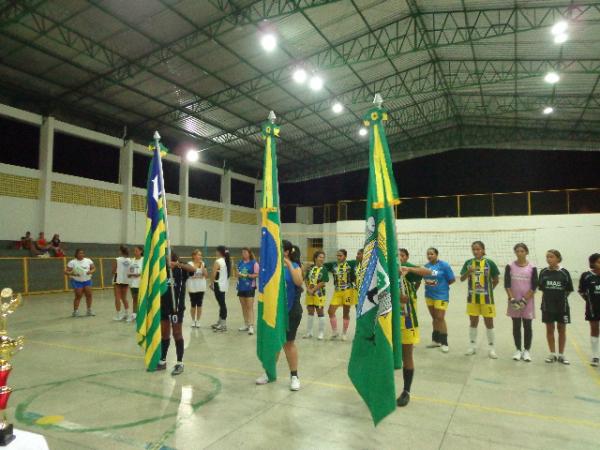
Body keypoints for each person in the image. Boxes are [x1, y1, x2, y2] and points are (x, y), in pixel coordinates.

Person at [256, 240, 304, 391]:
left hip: (291, 311)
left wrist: (288, 264)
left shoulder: (295, 266)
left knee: (288, 344)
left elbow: (298, 281)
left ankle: (294, 376)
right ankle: (269, 373)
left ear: (287, 252)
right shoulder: (271, 267)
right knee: (274, 341)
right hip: (274, 311)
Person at [157, 251, 196, 375]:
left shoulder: (181, 269)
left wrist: (177, 264)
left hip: (176, 308)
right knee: (164, 334)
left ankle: (179, 363)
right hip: (164, 307)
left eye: (167, 257)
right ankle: (162, 361)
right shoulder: (162, 270)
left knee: (177, 333)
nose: (166, 259)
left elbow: (192, 268)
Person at [460, 241, 500, 358]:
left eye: (478, 249)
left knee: (489, 323)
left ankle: (492, 348)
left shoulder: (490, 263)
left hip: (487, 300)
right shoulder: (468, 263)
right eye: (474, 249)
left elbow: (496, 279)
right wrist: (469, 271)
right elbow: (462, 279)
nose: (476, 251)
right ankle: (472, 346)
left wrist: (489, 291)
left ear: (483, 250)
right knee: (473, 322)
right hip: (472, 299)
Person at [538, 249, 573, 365]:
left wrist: (560, 299)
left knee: (561, 330)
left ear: (558, 258)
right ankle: (552, 353)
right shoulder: (543, 272)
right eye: (547, 257)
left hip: (562, 307)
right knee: (549, 330)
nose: (549, 259)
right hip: (547, 307)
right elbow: (542, 288)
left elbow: (568, 290)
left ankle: (561, 355)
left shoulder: (564, 273)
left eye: (551, 257)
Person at [504, 243, 538, 362]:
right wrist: (512, 299)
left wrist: (524, 300)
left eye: (522, 251)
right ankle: (518, 349)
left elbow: (534, 286)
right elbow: (507, 284)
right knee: (516, 326)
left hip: (527, 302)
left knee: (528, 326)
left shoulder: (532, 267)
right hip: (514, 301)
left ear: (526, 252)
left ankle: (527, 350)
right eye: (517, 251)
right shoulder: (510, 266)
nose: (519, 253)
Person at [422, 248, 455, 352]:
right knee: (435, 318)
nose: (429, 256)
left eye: (431, 254)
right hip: (429, 295)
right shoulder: (426, 267)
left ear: (436, 254)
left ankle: (444, 342)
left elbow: (452, 279)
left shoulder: (444, 265)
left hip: (441, 295)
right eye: (428, 254)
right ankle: (436, 340)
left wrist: (442, 286)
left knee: (440, 318)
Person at [396, 268, 421, 407]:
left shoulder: (409, 276)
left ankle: (406, 391)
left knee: (407, 356)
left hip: (407, 323)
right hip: (389, 324)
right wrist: (396, 296)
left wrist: (409, 269)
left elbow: (430, 273)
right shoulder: (385, 279)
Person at [324, 249, 358, 341]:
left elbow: (360, 261)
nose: (338, 257)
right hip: (337, 292)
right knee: (330, 311)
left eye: (340, 255)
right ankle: (335, 332)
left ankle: (344, 333)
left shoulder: (350, 264)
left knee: (346, 312)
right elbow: (322, 266)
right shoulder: (333, 265)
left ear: (345, 256)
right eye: (337, 255)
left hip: (348, 291)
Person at [579, 253, 600, 367]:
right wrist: (589, 301)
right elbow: (581, 291)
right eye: (598, 262)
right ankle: (595, 356)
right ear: (593, 263)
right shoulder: (586, 276)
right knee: (595, 329)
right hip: (593, 309)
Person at [304, 250, 329, 340]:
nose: (322, 259)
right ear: (315, 258)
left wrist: (313, 290)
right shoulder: (311, 268)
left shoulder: (324, 269)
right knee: (310, 310)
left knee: (320, 311)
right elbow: (306, 279)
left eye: (323, 257)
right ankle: (309, 332)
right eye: (320, 257)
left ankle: (321, 332)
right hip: (309, 293)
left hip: (319, 294)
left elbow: (323, 282)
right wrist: (308, 289)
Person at [64, 249, 96, 317]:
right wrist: (72, 273)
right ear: (76, 254)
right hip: (77, 281)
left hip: (87, 280)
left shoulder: (88, 260)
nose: (81, 254)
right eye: (79, 253)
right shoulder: (72, 262)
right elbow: (66, 271)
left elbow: (93, 268)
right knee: (78, 295)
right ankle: (75, 311)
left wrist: (91, 271)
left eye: (82, 253)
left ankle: (89, 310)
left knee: (89, 295)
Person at [236, 248, 259, 335]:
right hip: (241, 287)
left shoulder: (254, 263)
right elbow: (238, 272)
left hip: (250, 287)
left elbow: (257, 274)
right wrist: (238, 274)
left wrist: (247, 275)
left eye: (245, 252)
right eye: (242, 252)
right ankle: (246, 324)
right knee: (243, 307)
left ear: (249, 254)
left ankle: (251, 326)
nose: (243, 254)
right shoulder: (240, 263)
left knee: (249, 307)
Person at [211, 245, 231, 332]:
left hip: (218, 285)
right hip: (224, 285)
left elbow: (213, 274)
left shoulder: (218, 261)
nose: (216, 252)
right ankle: (220, 322)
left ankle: (223, 325)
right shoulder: (228, 261)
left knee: (222, 304)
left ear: (219, 252)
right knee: (221, 303)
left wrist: (211, 283)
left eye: (216, 251)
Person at [187, 249, 208, 328]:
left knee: (199, 304)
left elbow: (206, 275)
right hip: (192, 287)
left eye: (201, 255)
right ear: (194, 256)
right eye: (198, 255)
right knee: (193, 304)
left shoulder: (203, 263)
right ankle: (193, 320)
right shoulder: (190, 264)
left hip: (201, 287)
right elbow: (189, 275)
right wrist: (198, 275)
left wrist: (203, 270)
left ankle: (198, 320)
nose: (200, 256)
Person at [112, 245, 131, 321]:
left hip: (118, 280)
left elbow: (113, 270)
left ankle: (118, 315)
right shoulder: (130, 260)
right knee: (124, 298)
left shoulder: (117, 259)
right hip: (126, 280)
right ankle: (127, 314)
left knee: (117, 297)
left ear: (120, 251)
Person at [127, 246, 144, 323]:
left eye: (136, 251)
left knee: (141, 300)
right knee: (134, 299)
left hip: (141, 283)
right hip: (133, 283)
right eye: (134, 251)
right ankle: (134, 315)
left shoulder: (143, 260)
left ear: (141, 251)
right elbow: (129, 272)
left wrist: (140, 274)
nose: (135, 252)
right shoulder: (132, 260)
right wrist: (130, 274)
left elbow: (146, 271)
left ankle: (142, 315)